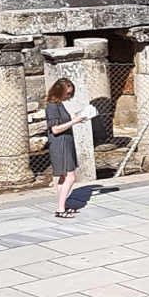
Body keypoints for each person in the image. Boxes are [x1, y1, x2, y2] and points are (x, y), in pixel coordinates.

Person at [45, 78, 87, 218]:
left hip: (65, 143)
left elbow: (63, 122)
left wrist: (76, 117)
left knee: (64, 177)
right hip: (60, 144)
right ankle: (60, 209)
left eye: (70, 93)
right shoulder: (52, 106)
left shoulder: (59, 104)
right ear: (59, 91)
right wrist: (74, 122)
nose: (69, 96)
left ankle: (62, 205)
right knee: (70, 177)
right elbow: (55, 129)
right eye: (67, 93)